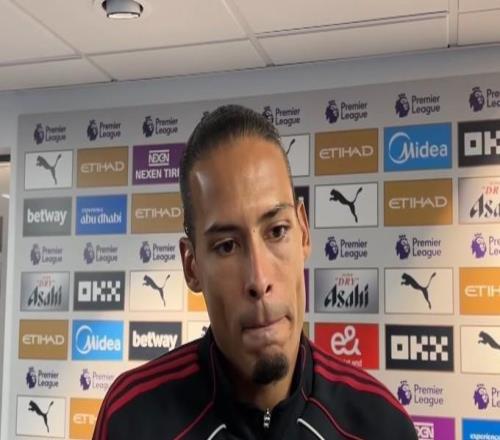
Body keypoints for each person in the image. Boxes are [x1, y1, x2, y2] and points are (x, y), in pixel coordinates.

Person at [93, 105, 418, 439]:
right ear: (192, 266)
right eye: (226, 246)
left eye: (277, 231)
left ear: (304, 233)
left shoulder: (381, 425)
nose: (259, 280)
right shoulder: (131, 420)